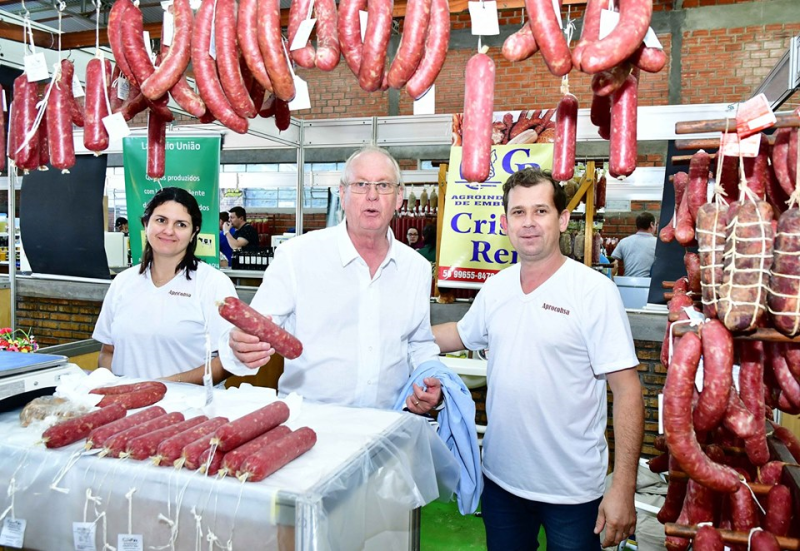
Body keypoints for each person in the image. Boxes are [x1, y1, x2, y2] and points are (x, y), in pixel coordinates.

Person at [432, 167, 644, 550]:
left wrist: (623, 486)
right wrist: (393, 337)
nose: (528, 223)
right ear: (505, 222)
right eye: (518, 212)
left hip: (573, 492)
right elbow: (456, 335)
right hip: (502, 484)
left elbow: (627, 391)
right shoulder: (496, 288)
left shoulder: (594, 292)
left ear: (562, 219)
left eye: (541, 211)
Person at [219, 146, 443, 414]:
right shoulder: (297, 256)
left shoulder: (415, 268)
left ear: (398, 197)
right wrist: (238, 347)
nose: (372, 196)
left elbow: (419, 344)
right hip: (311, 429)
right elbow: (255, 333)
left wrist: (430, 379)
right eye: (361, 185)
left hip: (390, 424)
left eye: (383, 185)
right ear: (343, 193)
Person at [94, 187, 237, 384]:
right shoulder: (123, 282)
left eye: (181, 224)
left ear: (194, 232)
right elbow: (108, 352)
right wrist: (116, 389)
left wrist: (163, 385)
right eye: (161, 220)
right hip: (126, 410)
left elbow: (228, 360)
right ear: (146, 223)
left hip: (186, 410)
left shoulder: (212, 283)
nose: (169, 231)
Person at [610, 212, 657, 278]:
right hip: (649, 284)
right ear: (651, 224)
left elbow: (613, 263)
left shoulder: (624, 241)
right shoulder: (658, 243)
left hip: (627, 284)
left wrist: (612, 280)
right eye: (655, 224)